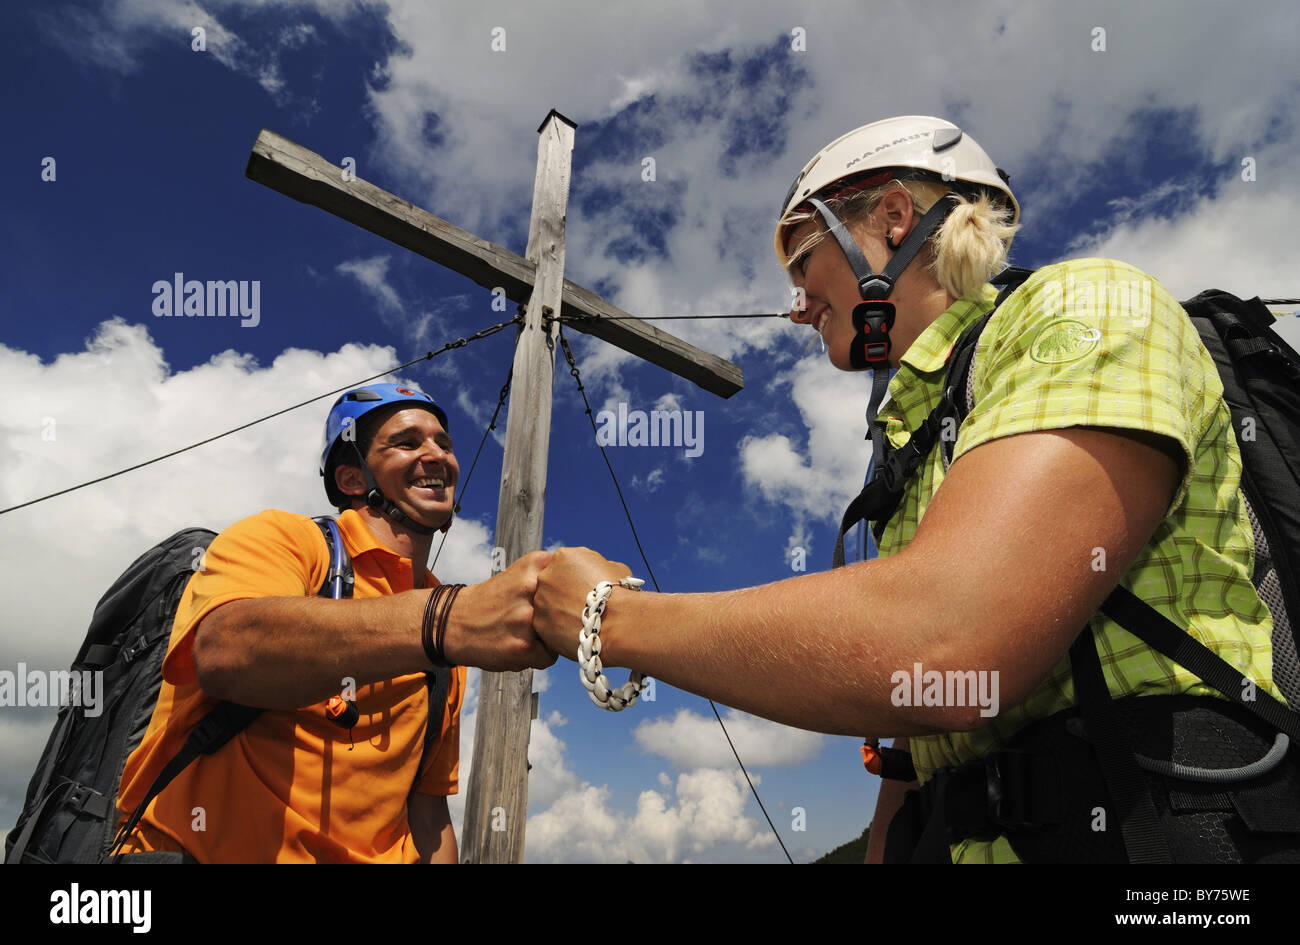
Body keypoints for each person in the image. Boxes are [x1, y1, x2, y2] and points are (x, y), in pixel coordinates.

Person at [530, 116, 1289, 863]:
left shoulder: (1087, 304)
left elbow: (952, 642)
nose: (796, 303)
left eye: (802, 259)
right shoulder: (910, 442)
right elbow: (916, 723)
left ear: (894, 218)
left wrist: (609, 619)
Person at [114, 382, 555, 863]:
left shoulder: (445, 638)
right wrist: (445, 622)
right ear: (351, 480)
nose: (438, 455)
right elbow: (226, 650)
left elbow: (427, 814)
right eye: (407, 443)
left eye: (444, 444)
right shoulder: (288, 540)